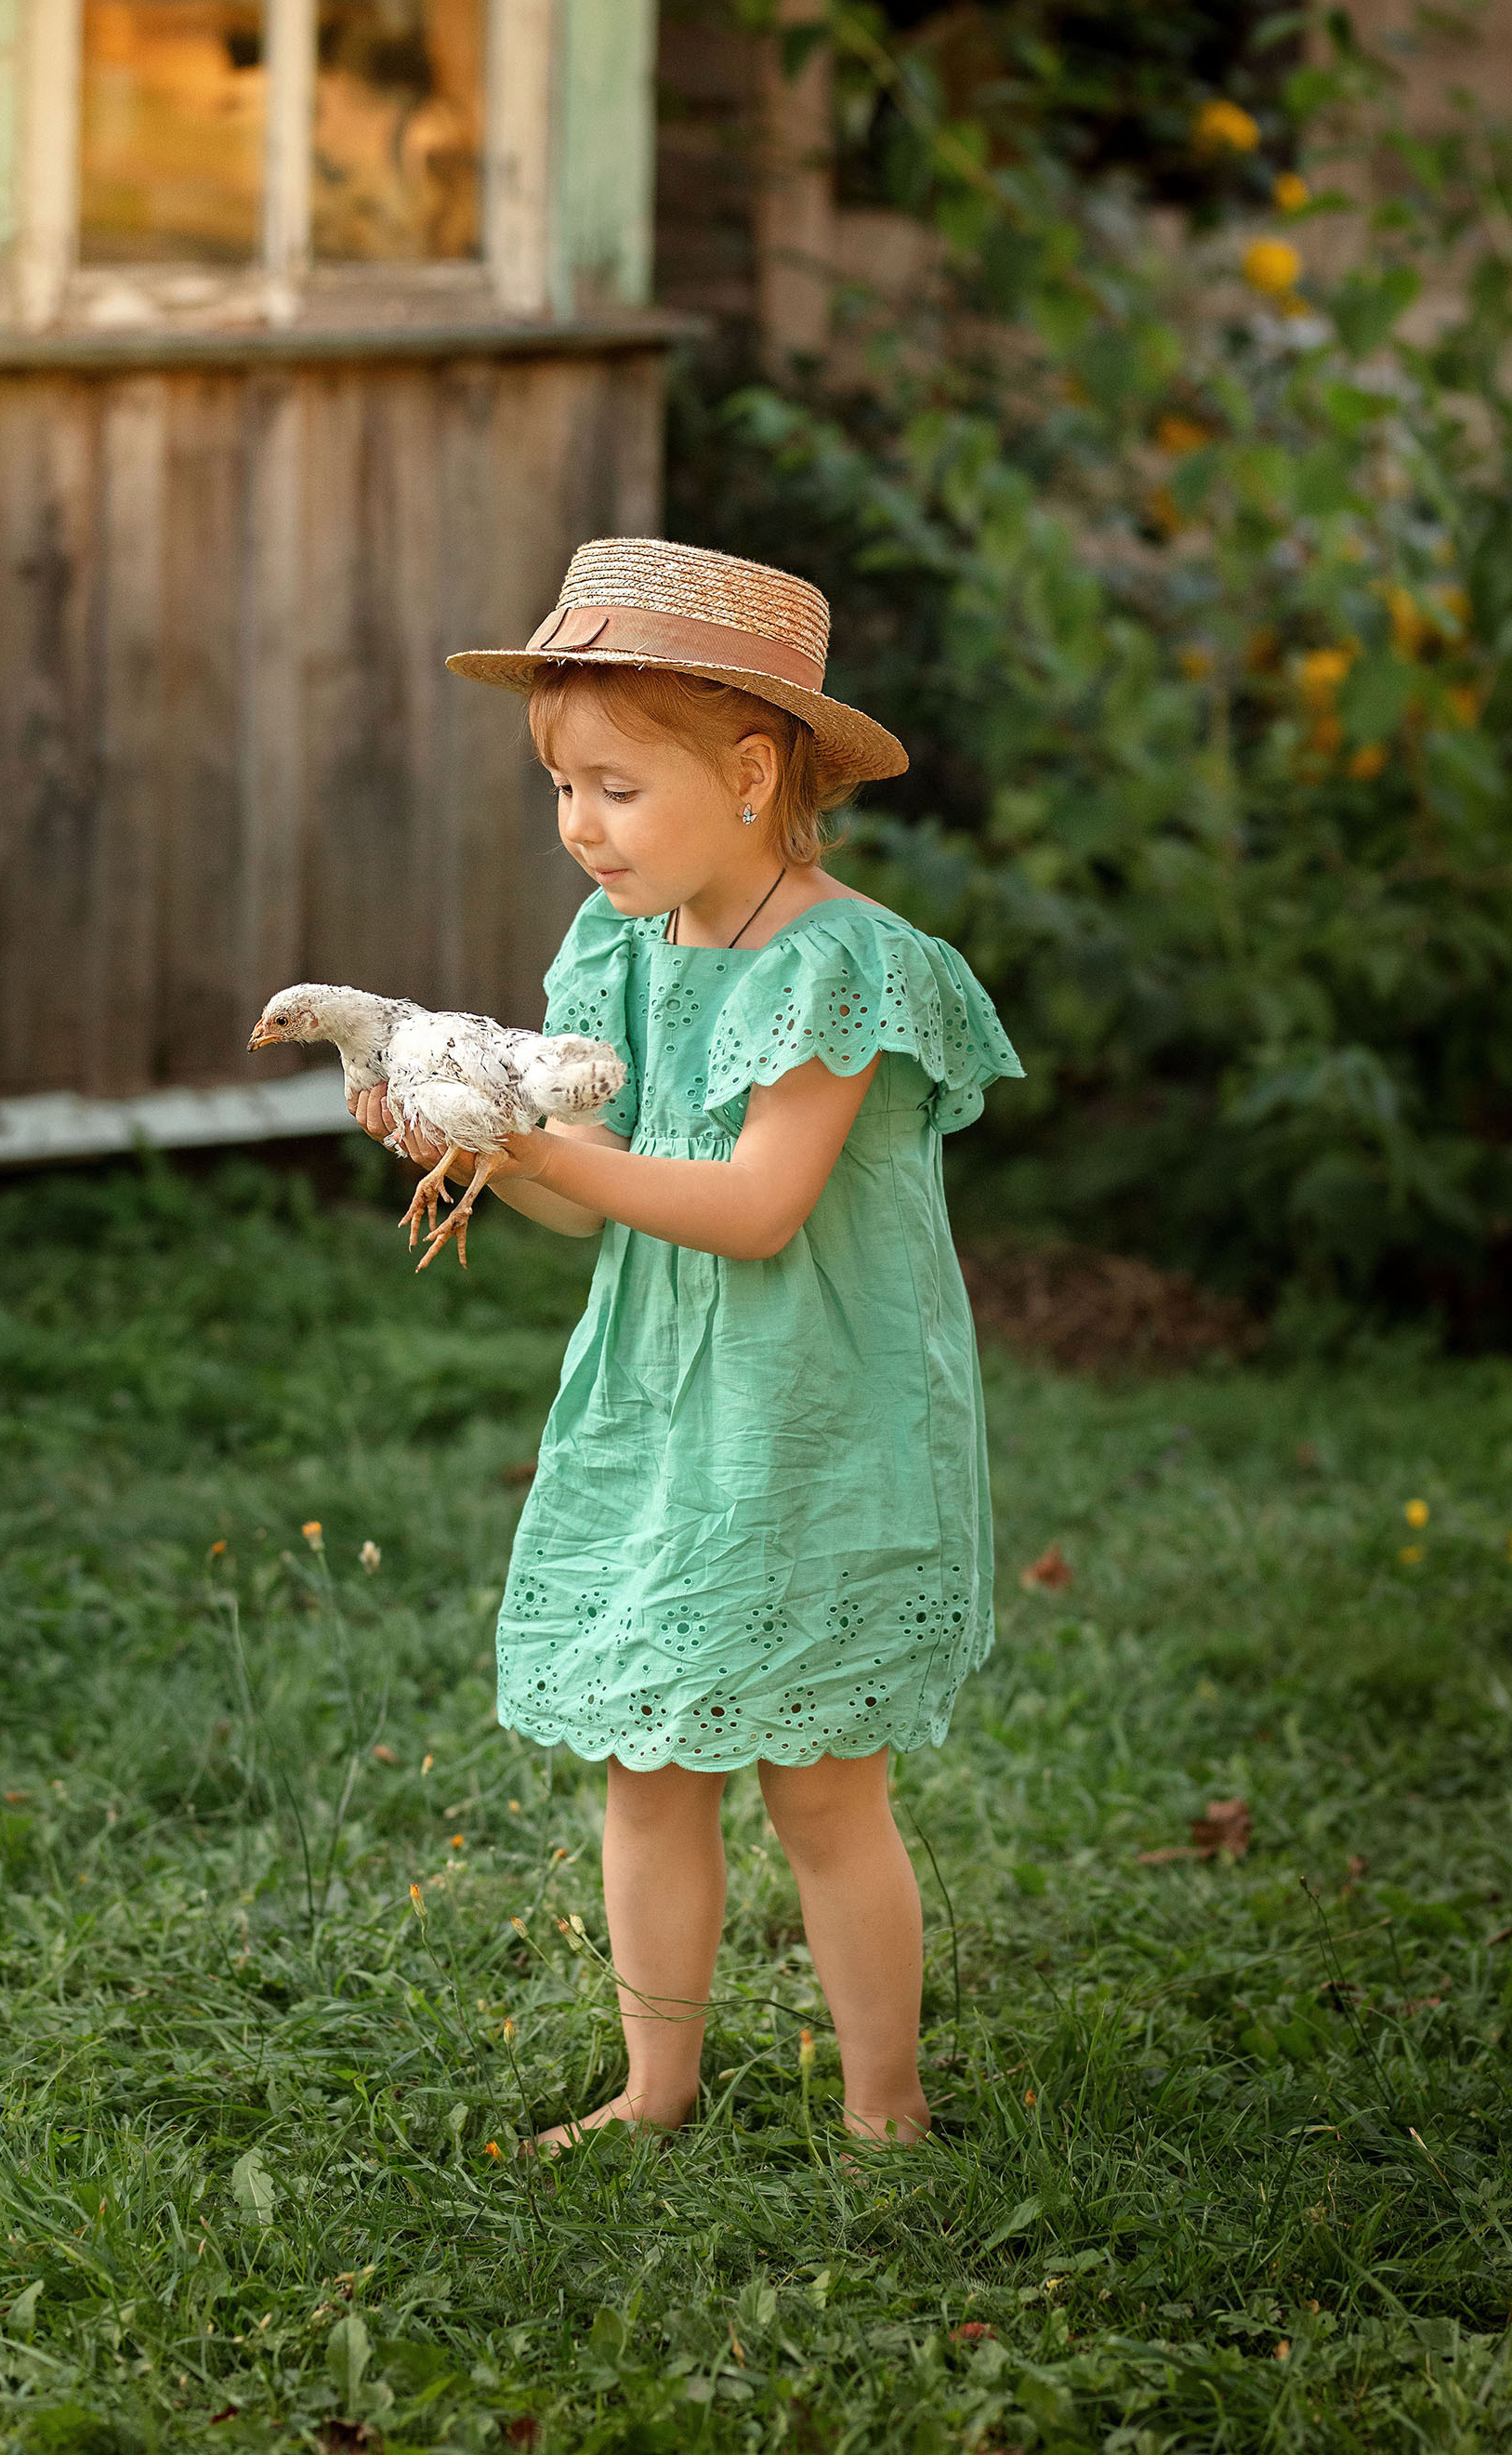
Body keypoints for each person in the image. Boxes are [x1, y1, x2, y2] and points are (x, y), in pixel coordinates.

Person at [348, 538, 1021, 2150]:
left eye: (616, 789)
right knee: (647, 1762)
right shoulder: (621, 949)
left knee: (823, 1786)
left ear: (750, 775)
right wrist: (492, 1149)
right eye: (560, 789)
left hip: (816, 1413)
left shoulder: (844, 966)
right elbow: (593, 1202)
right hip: (661, 1402)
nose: (579, 826)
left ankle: (886, 2108)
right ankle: (655, 2089)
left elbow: (759, 1208)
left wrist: (545, 1148)